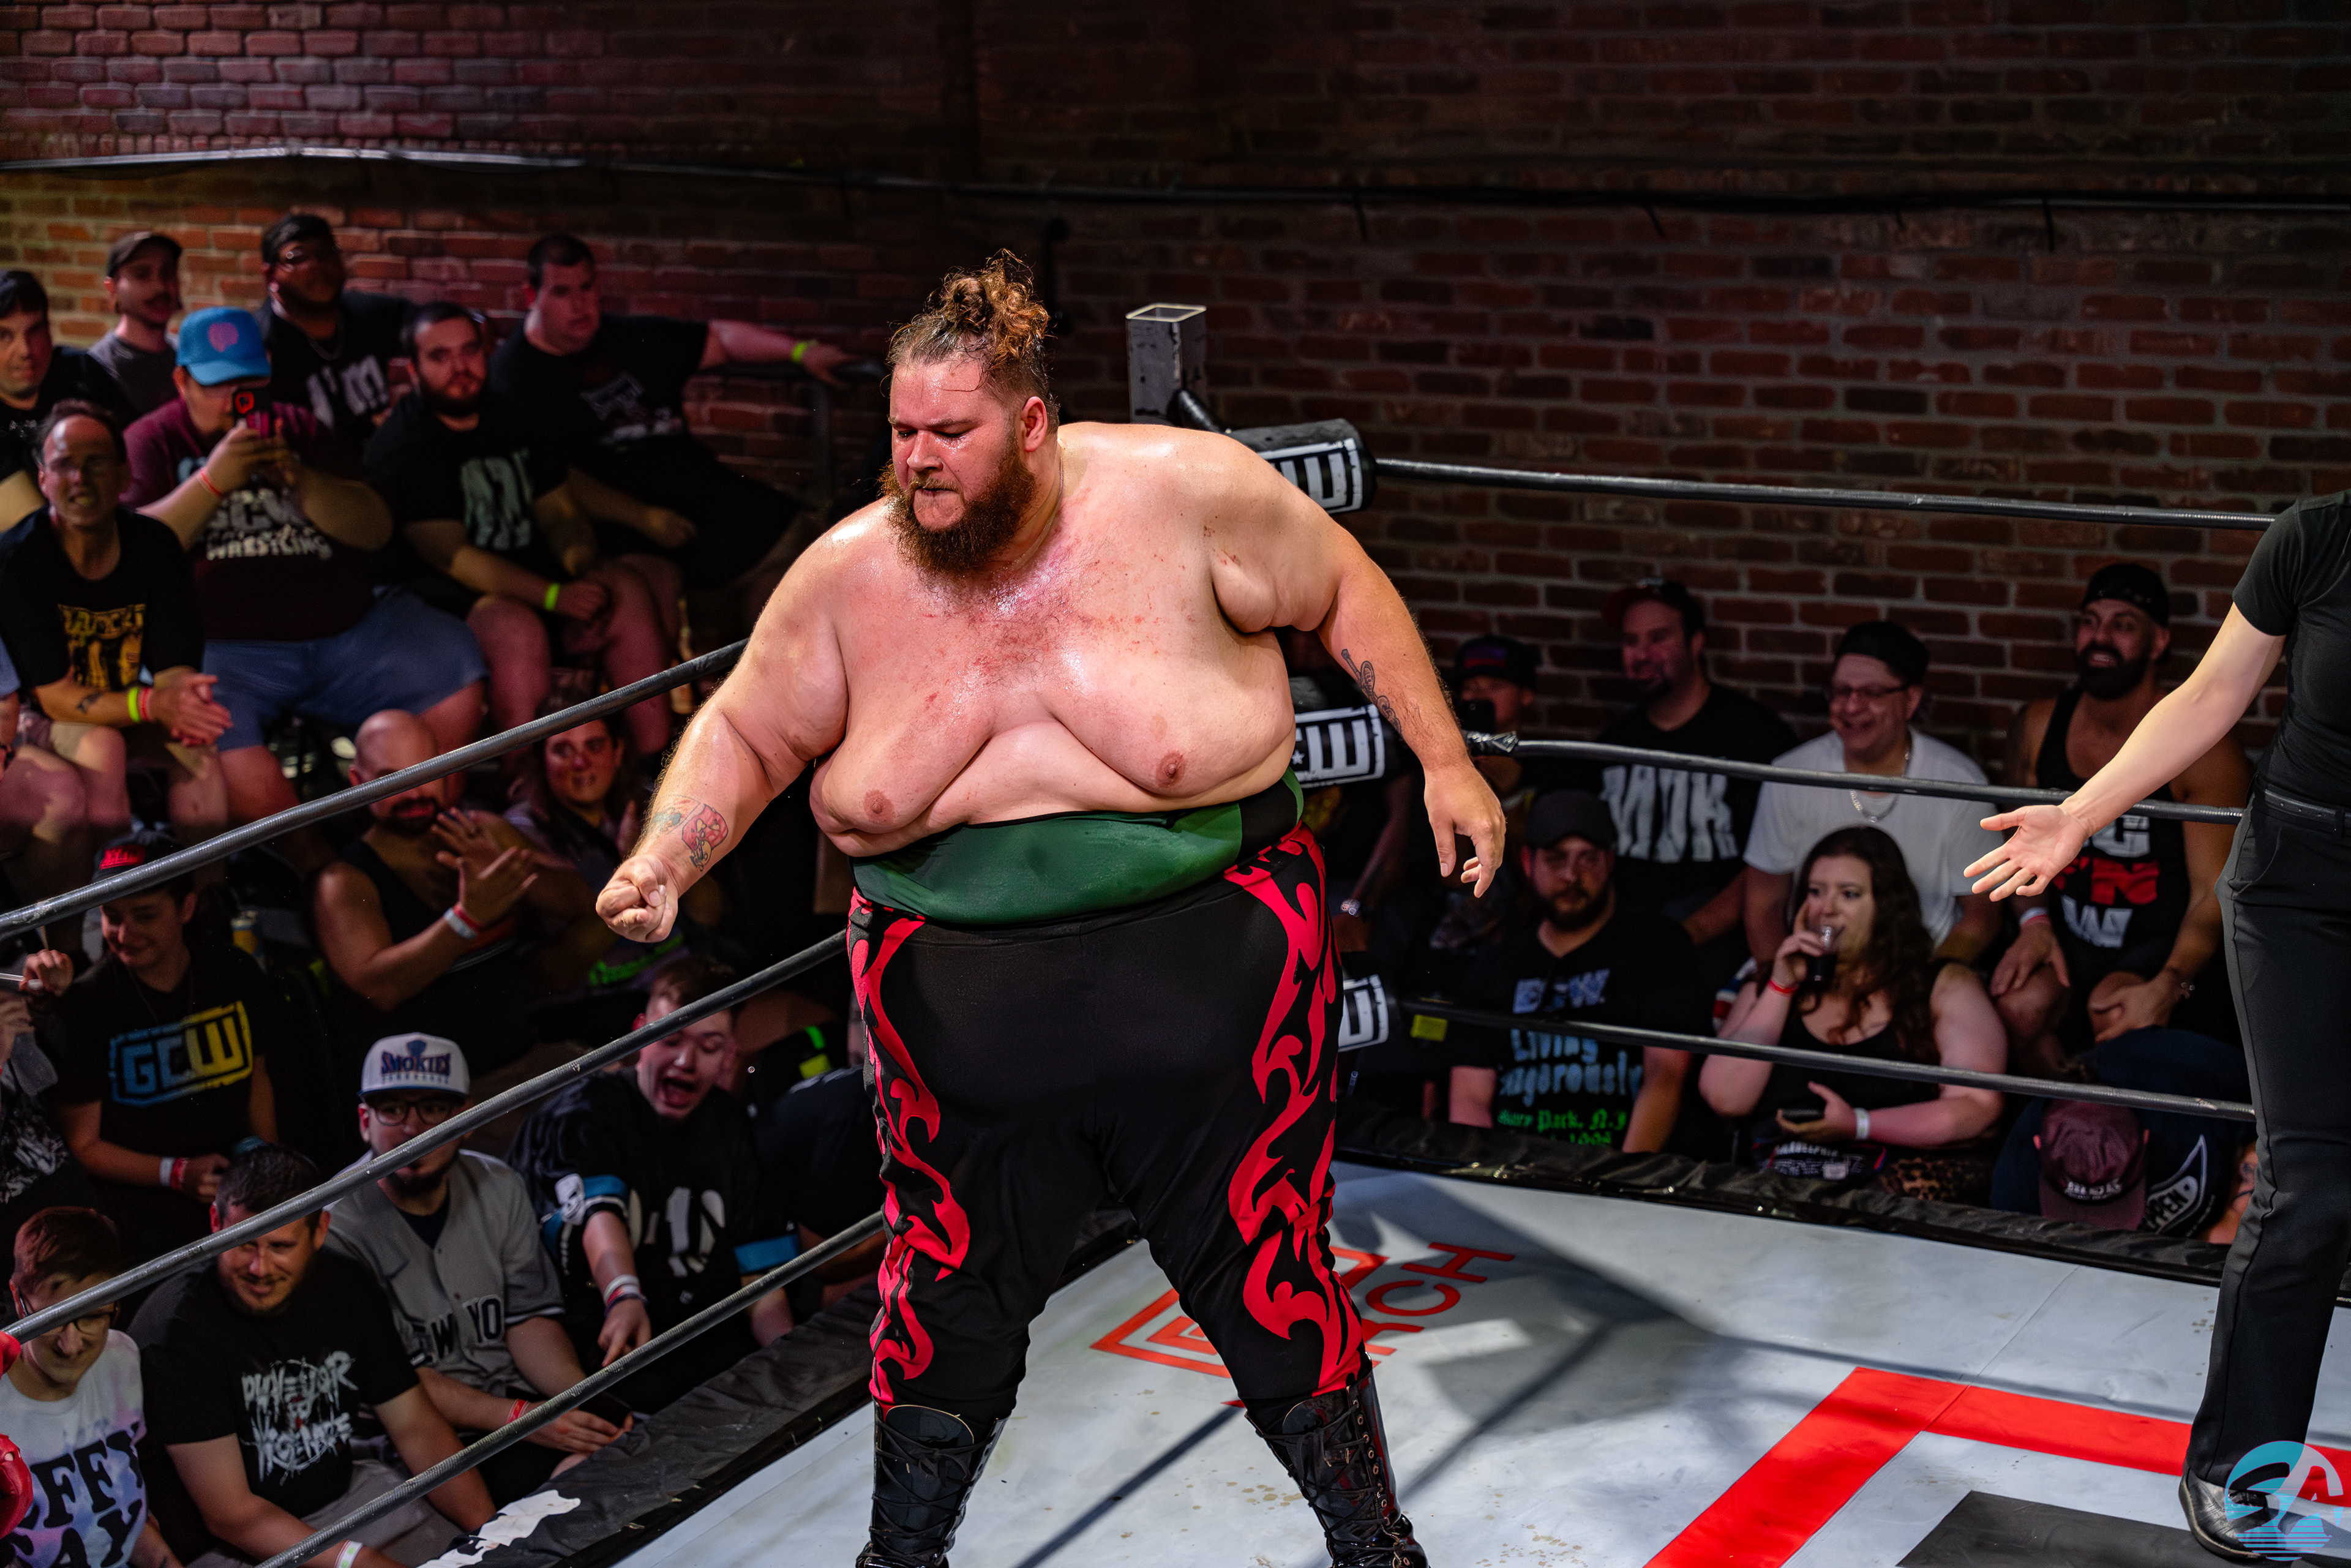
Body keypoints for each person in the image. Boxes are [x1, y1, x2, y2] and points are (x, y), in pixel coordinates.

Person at [594, 253, 1503, 1568]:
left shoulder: (1186, 495)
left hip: (1211, 975)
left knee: (1269, 1273)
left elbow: (1343, 586)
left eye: (949, 433)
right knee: (943, 1302)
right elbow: (744, 730)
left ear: (1030, 423)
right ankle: (899, 1562)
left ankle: (1377, 1550)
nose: (918, 462)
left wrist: (1448, 762)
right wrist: (665, 859)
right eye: (902, 432)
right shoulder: (850, 575)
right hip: (954, 1012)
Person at [1966, 487, 2351, 1559]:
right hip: (2303, 885)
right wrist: (2079, 813)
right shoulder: (2319, 538)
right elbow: (2211, 692)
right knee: (2316, 1183)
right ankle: (2237, 1462)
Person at [122, 306, 487, 873]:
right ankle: (322, 871)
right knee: (209, 728)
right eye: (218, 386)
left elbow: (374, 526)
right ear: (182, 381)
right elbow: (134, 553)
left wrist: (302, 481)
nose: (235, 400)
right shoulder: (152, 440)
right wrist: (214, 480)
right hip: (228, 649)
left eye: (248, 383)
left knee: (453, 662)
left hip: (344, 633)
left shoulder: (298, 426)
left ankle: (407, 840)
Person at [131, 1145, 493, 1568]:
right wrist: (359, 1562)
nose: (260, 1268)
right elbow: (231, 1515)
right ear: (216, 1224)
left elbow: (415, 1426)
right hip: (233, 1546)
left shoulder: (347, 1285)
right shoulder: (178, 1329)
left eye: (281, 1245)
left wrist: (493, 1534)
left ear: (319, 1230)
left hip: (348, 1499)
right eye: (244, 1244)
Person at [323, 1033, 628, 1504]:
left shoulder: (499, 1185)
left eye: (433, 1108)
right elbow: (398, 1383)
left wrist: (580, 1401)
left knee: (618, 1443)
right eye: (394, 1109)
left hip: (508, 1404)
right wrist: (526, 1418)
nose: (412, 1128)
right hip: (409, 1439)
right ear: (365, 1120)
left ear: (467, 1118)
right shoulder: (334, 1225)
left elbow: (527, 1321)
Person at [364, 302, 676, 756]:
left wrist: (582, 565)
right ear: (413, 369)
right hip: (446, 600)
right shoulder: (402, 446)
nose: (460, 368)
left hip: (534, 582)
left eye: (470, 351)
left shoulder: (513, 414)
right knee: (516, 628)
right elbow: (452, 558)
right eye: (440, 357)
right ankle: (524, 781)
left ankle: (656, 766)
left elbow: (559, 510)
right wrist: (554, 596)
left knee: (623, 588)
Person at [489, 231, 852, 619]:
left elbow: (720, 339)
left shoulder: (627, 337)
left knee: (813, 547)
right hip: (626, 527)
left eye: (587, 287)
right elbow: (551, 481)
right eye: (562, 292)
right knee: (656, 592)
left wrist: (801, 352)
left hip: (702, 496)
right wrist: (640, 516)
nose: (580, 305)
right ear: (531, 296)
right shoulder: (513, 379)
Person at [1985, 563, 2252, 1077]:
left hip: (2155, 947)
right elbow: (2014, 844)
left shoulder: (2204, 748)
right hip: (2067, 936)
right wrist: (2034, 922)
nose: (2099, 637)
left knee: (2113, 1008)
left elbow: (2214, 891)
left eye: (2122, 624)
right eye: (2090, 621)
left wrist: (2171, 981)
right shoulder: (2040, 725)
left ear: (2160, 641)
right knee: (2017, 1003)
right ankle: (2055, 1116)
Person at [506, 955, 797, 1415]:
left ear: (729, 1054)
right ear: (640, 1032)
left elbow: (758, 1276)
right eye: (671, 1038)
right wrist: (624, 1295)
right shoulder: (587, 1110)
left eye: (708, 1045)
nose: (685, 1061)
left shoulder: (728, 1123)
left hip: (706, 1354)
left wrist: (791, 1366)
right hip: (601, 1354)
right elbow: (599, 1214)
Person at [1704, 825, 2006, 1202]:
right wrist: (1781, 987)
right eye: (1815, 892)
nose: (1826, 908)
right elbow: (1724, 1098)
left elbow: (1978, 1107)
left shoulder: (1943, 986)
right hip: (1777, 1193)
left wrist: (1860, 1125)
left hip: (1891, 1198)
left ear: (1886, 906)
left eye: (1849, 894)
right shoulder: (1771, 982)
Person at [31, 831, 285, 1263]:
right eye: (112, 916)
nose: (124, 933)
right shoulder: (86, 1005)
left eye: (145, 915)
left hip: (237, 1186)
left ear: (186, 907)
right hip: (143, 1215)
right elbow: (84, 1144)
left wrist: (268, 1165)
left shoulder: (233, 972)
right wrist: (176, 1173)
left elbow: (257, 1076)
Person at [314, 710, 603, 1087]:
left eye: (425, 772)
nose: (414, 793)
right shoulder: (344, 881)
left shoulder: (482, 830)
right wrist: (467, 918)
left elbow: (581, 902)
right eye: (391, 780)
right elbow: (381, 989)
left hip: (526, 1061)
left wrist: (508, 869)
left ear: (445, 767)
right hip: (432, 1098)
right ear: (358, 782)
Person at [0, 403, 229, 852]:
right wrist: (152, 703)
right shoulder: (17, 560)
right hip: (45, 718)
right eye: (64, 465)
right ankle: (115, 886)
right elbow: (56, 697)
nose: (80, 479)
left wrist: (183, 704)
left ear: (125, 475)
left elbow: (173, 667)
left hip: (126, 703)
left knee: (197, 745)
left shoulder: (155, 545)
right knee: (103, 746)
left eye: (96, 463)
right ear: (43, 479)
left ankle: (207, 890)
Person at [1446, 790, 1709, 1154]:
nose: (1571, 875)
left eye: (1588, 858)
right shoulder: (1495, 965)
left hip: (1620, 1170)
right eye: (1556, 858)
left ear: (1610, 862)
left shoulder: (1658, 948)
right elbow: (1469, 1099)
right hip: (1513, 1172)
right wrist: (1492, 1177)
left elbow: (1665, 1078)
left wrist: (1619, 1178)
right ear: (1528, 862)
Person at [1742, 620, 2001, 967]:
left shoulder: (1959, 785)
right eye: (1841, 691)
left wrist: (1921, 987)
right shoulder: (1791, 775)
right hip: (1813, 966)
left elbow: (1980, 921)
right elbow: (1763, 905)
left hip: (1920, 969)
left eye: (1872, 693)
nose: (1851, 707)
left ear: (1911, 700)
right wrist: (1783, 978)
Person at [1583, 579, 1796, 958]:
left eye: (1659, 638)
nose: (1642, 654)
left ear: (1696, 642)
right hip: (1624, 943)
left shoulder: (1755, 736)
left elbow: (1772, 861)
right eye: (1631, 641)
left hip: (1718, 949)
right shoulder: (1612, 744)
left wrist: (1688, 935)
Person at [503, 708, 718, 1044]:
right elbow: (558, 974)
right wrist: (635, 865)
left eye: (594, 746)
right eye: (563, 751)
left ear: (618, 752)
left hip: (682, 986)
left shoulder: (649, 800)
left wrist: (664, 856)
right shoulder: (521, 831)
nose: (580, 763)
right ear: (541, 761)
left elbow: (711, 912)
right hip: (595, 1013)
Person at [0, 1208, 179, 1568]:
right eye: (52, 1320)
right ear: (19, 1300)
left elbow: (122, 1517)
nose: (71, 1345)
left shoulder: (120, 1358)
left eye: (93, 1316)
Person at [1986, 1028, 2251, 1239]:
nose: (2100, 1233)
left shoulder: (2184, 1071)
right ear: (2038, 1144)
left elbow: (2271, 1119)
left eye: (2113, 1208)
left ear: (2145, 1139)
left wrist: (2237, 1216)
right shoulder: (2015, 1182)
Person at [257, 214, 409, 450]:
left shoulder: (370, 314)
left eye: (325, 251)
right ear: (271, 275)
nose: (316, 264)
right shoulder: (262, 345)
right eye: (297, 257)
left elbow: (438, 328)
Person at [0, 271, 135, 530]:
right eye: (5, 336)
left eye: (35, 331)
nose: (25, 350)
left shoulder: (78, 371)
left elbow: (136, 447)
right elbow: (38, 531)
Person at [88, 233, 185, 419]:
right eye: (142, 274)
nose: (160, 287)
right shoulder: (97, 369)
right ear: (112, 289)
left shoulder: (190, 359)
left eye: (168, 273)